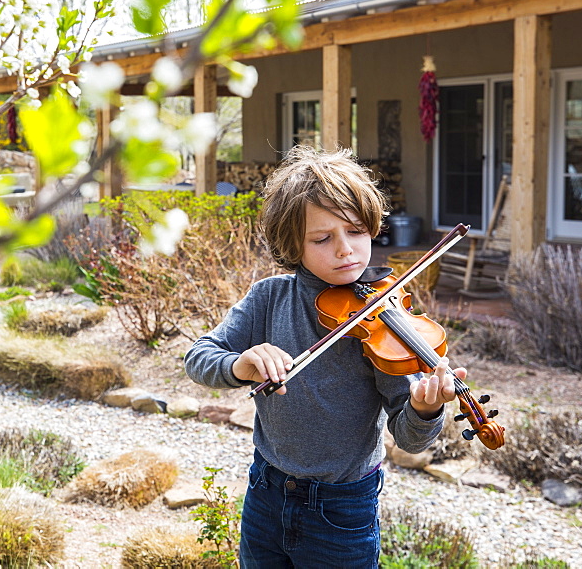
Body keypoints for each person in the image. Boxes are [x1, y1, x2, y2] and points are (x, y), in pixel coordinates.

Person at [184, 145, 465, 568]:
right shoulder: (268, 298)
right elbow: (198, 357)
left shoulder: (383, 323)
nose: (345, 250)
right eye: (322, 238)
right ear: (292, 244)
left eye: (355, 231)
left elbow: (408, 437)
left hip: (341, 509)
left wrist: (425, 410)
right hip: (267, 489)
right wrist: (239, 365)